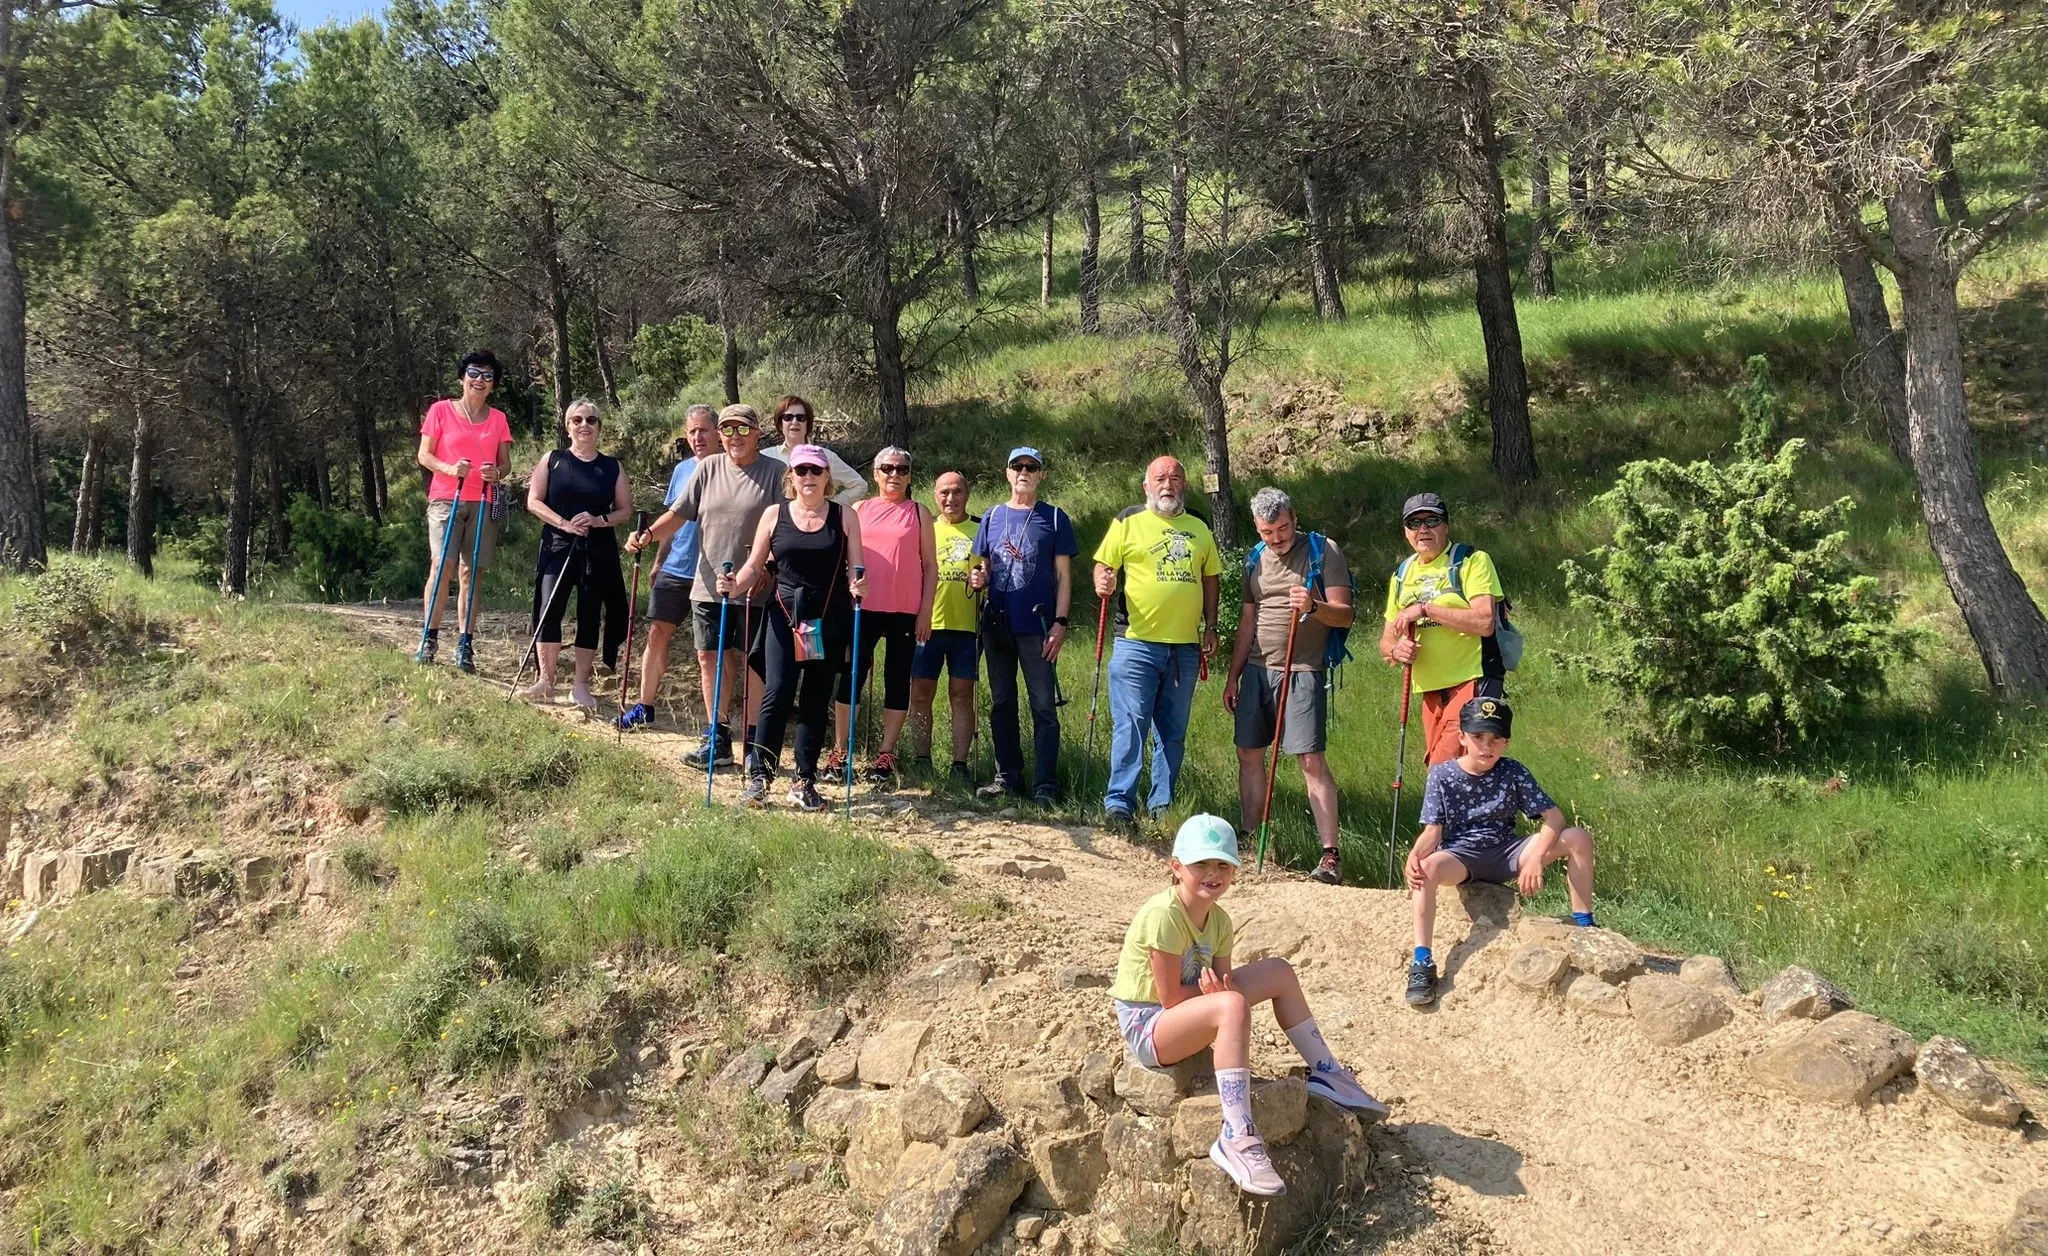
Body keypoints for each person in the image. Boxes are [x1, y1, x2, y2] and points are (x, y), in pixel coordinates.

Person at [1109, 814, 1389, 1198]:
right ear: (1176, 867)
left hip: (1189, 1008)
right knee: (1232, 1007)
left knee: (1278, 971)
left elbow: (1224, 983)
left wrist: (1220, 993)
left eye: (1222, 864)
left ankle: (1328, 1073)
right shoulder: (1165, 914)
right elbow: (1170, 998)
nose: (1213, 873)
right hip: (1149, 1024)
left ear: (1235, 871)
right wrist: (1218, 997)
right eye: (1200, 864)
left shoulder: (1219, 920)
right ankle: (1236, 1133)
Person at [1404, 696, 1596, 1008]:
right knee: (1425, 867)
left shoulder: (1512, 771)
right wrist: (1415, 854)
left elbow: (1555, 818)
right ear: (1462, 737)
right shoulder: (1442, 774)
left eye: (1495, 739)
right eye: (1478, 737)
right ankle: (1422, 961)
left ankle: (1585, 925)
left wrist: (1534, 857)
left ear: (1506, 742)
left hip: (1508, 851)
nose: (1486, 747)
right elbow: (1433, 831)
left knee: (1577, 838)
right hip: (1461, 857)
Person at [625, 404, 781, 770]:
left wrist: (769, 567)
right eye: (727, 430)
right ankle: (718, 735)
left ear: (757, 433)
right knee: (708, 656)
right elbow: (679, 516)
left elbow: (783, 526)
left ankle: (757, 741)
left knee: (752, 662)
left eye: (742, 430)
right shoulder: (708, 468)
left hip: (755, 585)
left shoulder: (775, 473)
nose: (734, 438)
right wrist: (647, 536)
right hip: (708, 582)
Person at [725, 445, 868, 810]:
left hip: (826, 618)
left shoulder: (845, 516)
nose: (808, 477)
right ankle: (761, 776)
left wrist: (858, 586)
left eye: (815, 471)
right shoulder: (774, 515)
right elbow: (754, 566)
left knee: (816, 699)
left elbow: (856, 568)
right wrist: (733, 585)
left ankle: (804, 780)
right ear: (791, 476)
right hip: (783, 616)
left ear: (826, 478)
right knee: (776, 693)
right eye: (801, 471)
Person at [1224, 488, 1354, 883]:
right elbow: (1249, 621)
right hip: (1258, 671)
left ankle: (1330, 855)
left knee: (1309, 759)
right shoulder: (1254, 559)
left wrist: (1313, 607)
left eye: (1282, 529)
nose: (1277, 539)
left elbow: (1346, 615)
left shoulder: (1322, 551)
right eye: (1268, 532)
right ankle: (1248, 837)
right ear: (1257, 528)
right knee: (1249, 753)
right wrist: (1234, 674)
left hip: (1303, 669)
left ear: (1294, 519)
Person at [1092, 456, 1221, 832]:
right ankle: (1120, 805)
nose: (1168, 485)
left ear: (1185, 486)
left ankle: (1162, 806)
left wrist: (1210, 626)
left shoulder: (1199, 525)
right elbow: (1104, 564)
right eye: (1160, 479)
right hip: (1136, 643)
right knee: (1131, 725)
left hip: (1183, 647)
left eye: (1175, 478)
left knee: (1172, 730)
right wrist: (1102, 581)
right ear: (1146, 486)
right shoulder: (1128, 520)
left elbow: (1210, 577)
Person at [968, 447, 1077, 805]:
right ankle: (1007, 777)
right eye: (1018, 466)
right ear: (1008, 473)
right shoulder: (993, 515)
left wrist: (1060, 623)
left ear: (1041, 475)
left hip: (1039, 626)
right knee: (1001, 702)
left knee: (1043, 705)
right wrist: (978, 579)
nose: (1024, 472)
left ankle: (1045, 785)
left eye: (1032, 467)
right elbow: (981, 567)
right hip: (998, 623)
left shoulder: (1055, 518)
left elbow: (1063, 576)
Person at [514, 400, 633, 710]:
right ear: (567, 427)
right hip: (557, 546)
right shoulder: (553, 460)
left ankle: (580, 685)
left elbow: (625, 510)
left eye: (591, 420)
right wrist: (564, 524)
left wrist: (598, 520)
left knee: (589, 614)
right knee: (549, 608)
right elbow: (534, 501)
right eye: (577, 419)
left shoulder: (611, 466)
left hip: (597, 549)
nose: (584, 425)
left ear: (599, 427)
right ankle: (546, 681)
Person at [829, 447, 937, 782]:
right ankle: (840, 751)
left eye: (902, 469)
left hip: (904, 610)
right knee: (851, 676)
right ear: (875, 474)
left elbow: (931, 566)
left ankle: (885, 754)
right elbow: (845, 559)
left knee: (896, 679)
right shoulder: (859, 509)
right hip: (863, 608)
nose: (894, 475)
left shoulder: (919, 512)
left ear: (909, 475)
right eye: (887, 468)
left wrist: (925, 612)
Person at [1380, 491, 1506, 768]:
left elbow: (1484, 622)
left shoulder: (1471, 561)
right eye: (1414, 523)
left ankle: (1437, 814)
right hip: (1431, 690)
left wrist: (1426, 609)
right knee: (1451, 771)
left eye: (1431, 520)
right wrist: (1396, 649)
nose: (1423, 529)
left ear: (1446, 526)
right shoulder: (1402, 574)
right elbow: (1386, 641)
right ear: (1406, 532)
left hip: (1473, 679)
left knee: (1443, 767)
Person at [618, 404, 720, 730]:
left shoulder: (729, 467)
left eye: (703, 430)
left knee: (716, 651)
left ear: (717, 431)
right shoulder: (682, 470)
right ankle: (644, 706)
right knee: (656, 633)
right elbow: (672, 521)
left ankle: (717, 723)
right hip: (677, 567)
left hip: (714, 571)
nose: (697, 437)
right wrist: (659, 561)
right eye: (691, 431)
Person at [415, 350, 513, 672]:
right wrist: (448, 468)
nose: (480, 381)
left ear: (493, 385)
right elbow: (424, 455)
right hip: (446, 496)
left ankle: (464, 646)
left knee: (471, 574)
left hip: (482, 499)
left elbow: (505, 464)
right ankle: (429, 638)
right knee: (441, 565)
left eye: (487, 377)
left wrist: (495, 474)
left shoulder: (498, 419)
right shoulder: (440, 411)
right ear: (462, 377)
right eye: (474, 373)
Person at [909, 471, 981, 785]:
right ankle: (922, 760)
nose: (950, 499)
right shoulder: (926, 529)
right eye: (944, 493)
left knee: (962, 694)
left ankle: (959, 765)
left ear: (967, 494)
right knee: (921, 693)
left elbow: (992, 571)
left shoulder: (981, 529)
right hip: (928, 624)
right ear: (934, 495)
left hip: (967, 627)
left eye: (957, 492)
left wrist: (984, 579)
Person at [758, 393, 868, 505]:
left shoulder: (827, 457)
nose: (795, 422)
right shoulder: (765, 457)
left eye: (801, 418)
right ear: (780, 424)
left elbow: (859, 485)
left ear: (808, 424)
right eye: (788, 417)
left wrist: (833, 507)